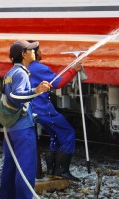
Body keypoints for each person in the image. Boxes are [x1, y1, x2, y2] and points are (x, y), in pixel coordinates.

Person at [0, 40, 52, 199]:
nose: (34, 51)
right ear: (23, 54)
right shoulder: (21, 73)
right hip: (22, 127)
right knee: (26, 166)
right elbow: (15, 95)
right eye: (31, 49)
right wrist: (37, 90)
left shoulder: (10, 72)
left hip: (11, 127)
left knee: (10, 167)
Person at [27, 44, 83, 182]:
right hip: (42, 109)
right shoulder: (38, 67)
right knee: (68, 133)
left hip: (32, 109)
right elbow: (58, 83)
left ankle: (52, 171)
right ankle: (61, 170)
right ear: (33, 53)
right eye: (39, 50)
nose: (41, 52)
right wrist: (74, 70)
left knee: (55, 135)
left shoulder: (24, 67)